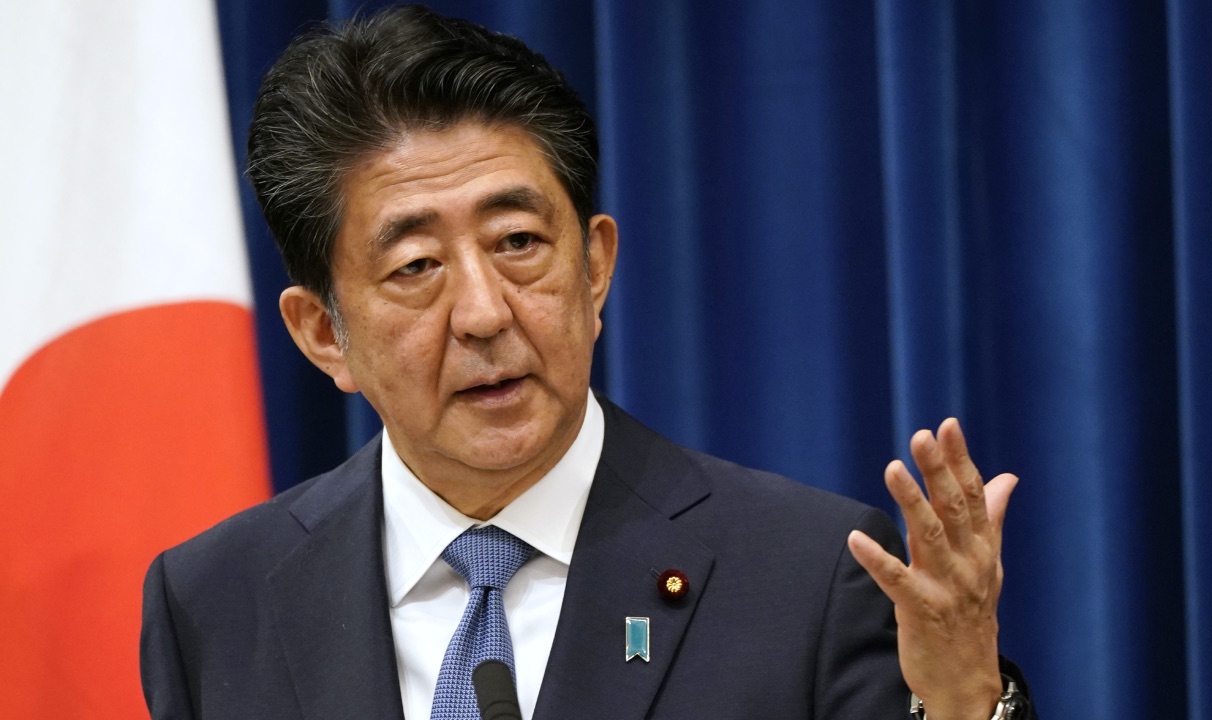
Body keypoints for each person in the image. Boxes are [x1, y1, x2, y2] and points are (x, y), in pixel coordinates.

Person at [140, 6, 1035, 719]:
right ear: (322, 333)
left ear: (595, 267)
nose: (485, 314)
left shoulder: (805, 577)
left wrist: (962, 704)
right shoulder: (214, 602)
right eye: (416, 267)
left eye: (519, 242)